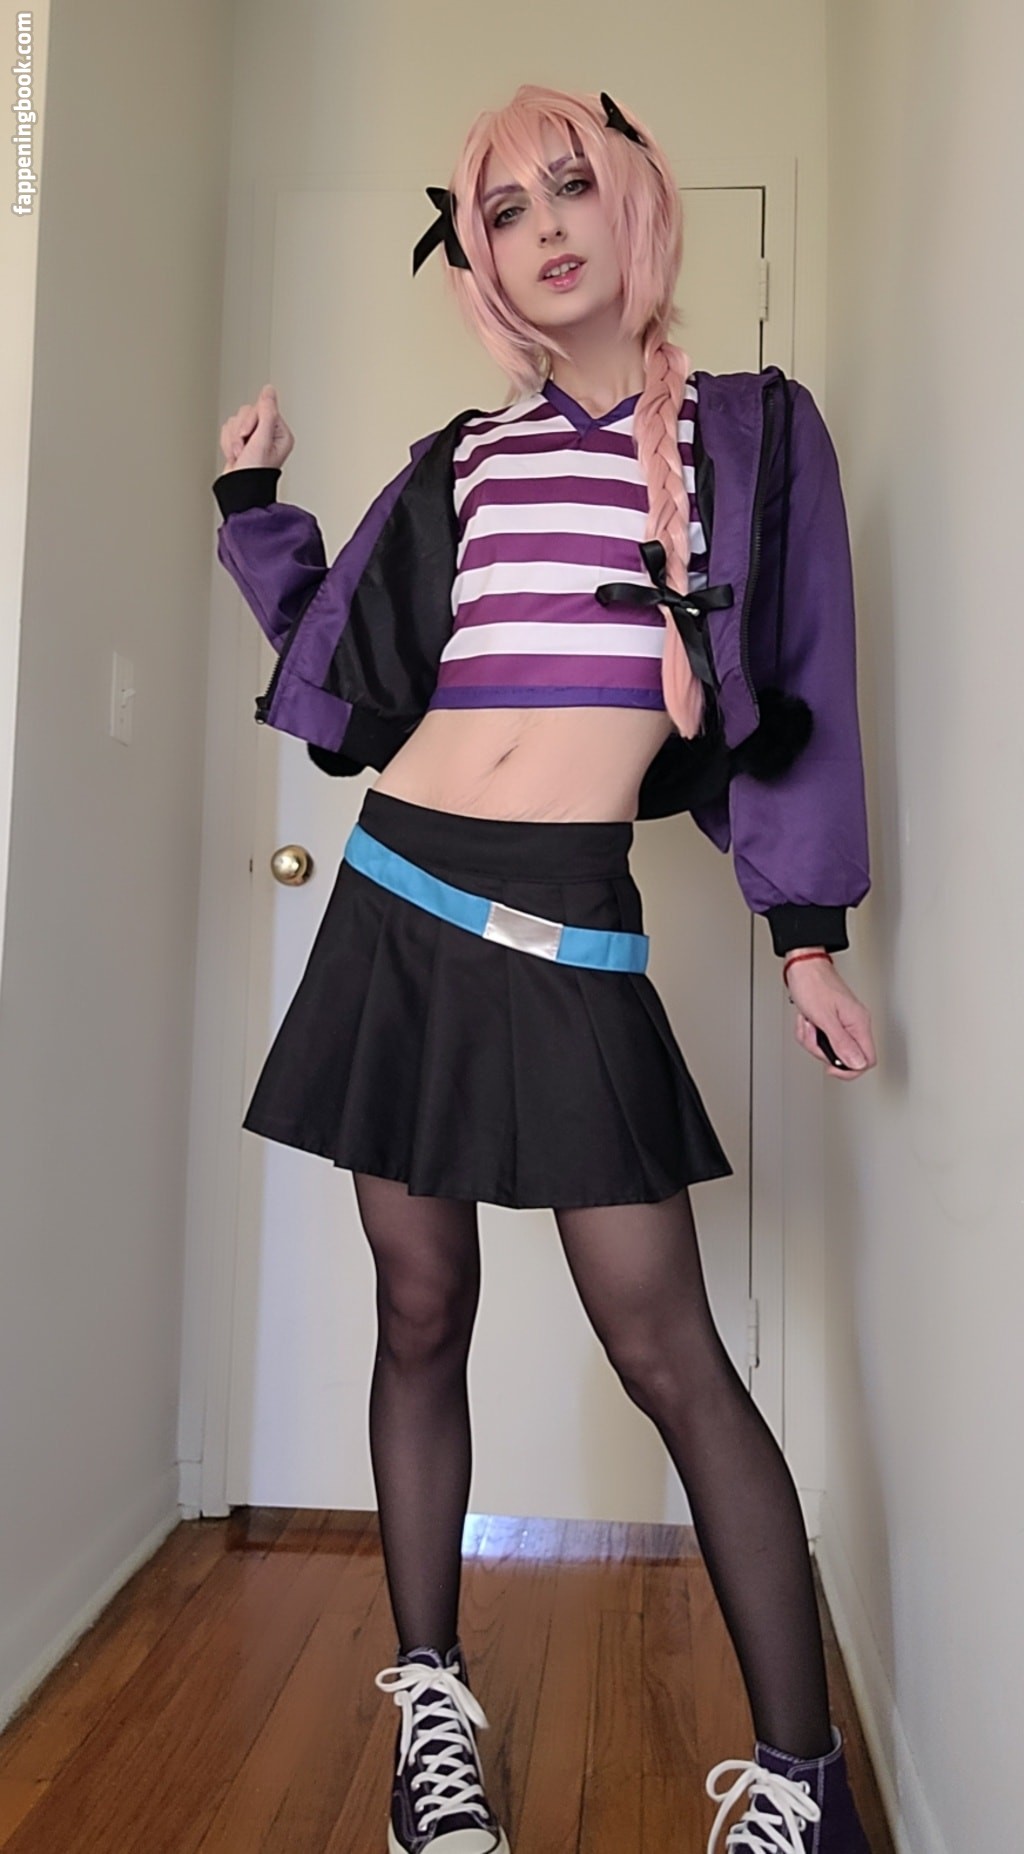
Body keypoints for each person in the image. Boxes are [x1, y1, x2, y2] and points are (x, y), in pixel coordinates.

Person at [213, 83, 877, 1854]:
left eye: (571, 187)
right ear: (483, 262)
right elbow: (343, 662)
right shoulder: (462, 459)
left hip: (567, 917)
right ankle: (432, 1709)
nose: (545, 228)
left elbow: (801, 688)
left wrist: (806, 934)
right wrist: (254, 506)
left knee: (667, 1345)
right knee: (419, 1310)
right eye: (504, 210)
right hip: (394, 899)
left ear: (634, 201)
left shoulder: (753, 434)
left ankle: (802, 1786)